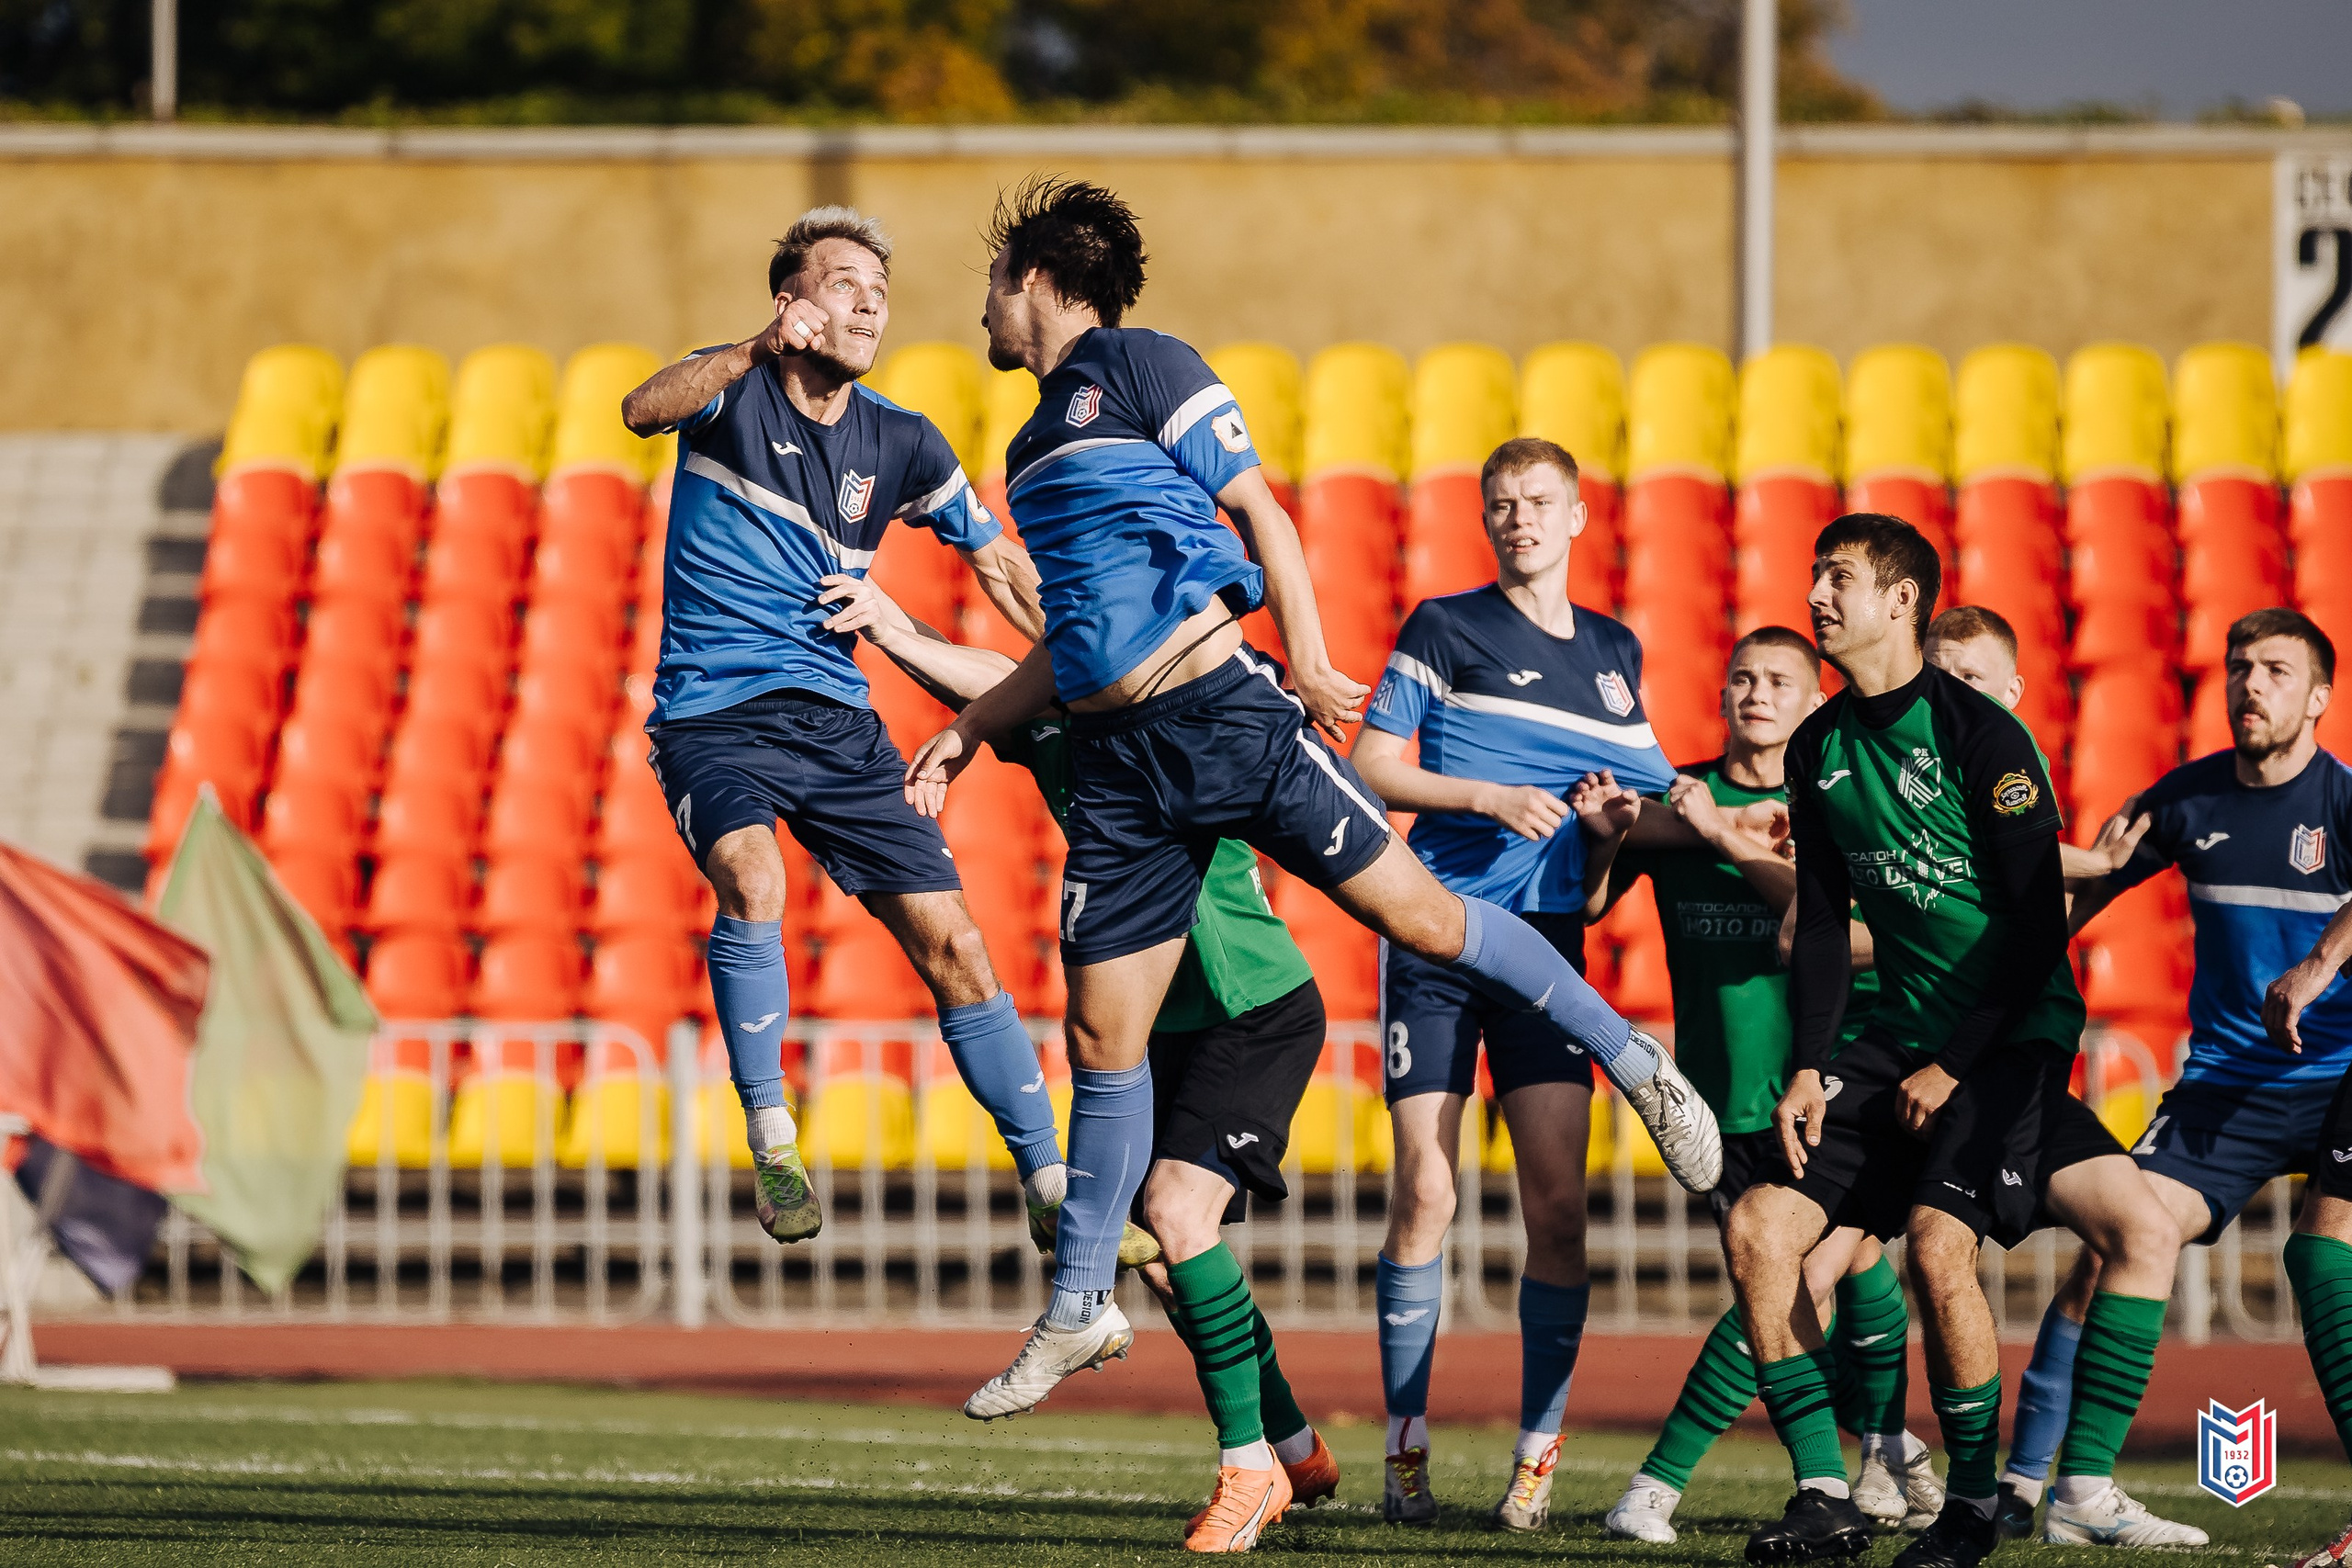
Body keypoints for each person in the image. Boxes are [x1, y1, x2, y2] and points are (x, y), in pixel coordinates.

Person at [901, 177, 1721, 1427]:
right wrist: (967, 728)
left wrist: (1313, 653)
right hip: (1123, 769)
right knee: (1101, 1042)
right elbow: (1072, 645)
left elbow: (1264, 514)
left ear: (1031, 276)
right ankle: (1077, 1302)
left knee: (1429, 922)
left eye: (989, 289)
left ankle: (1634, 1058)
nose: (981, 317)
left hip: (1225, 715)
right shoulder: (1024, 448)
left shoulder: (1140, 361)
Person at [818, 569, 1341, 1552]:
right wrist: (891, 625)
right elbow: (995, 682)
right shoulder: (1059, 709)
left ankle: (1249, 1473)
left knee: (1178, 1218)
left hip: (1251, 1001)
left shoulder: (1176, 686)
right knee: (1148, 1257)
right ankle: (1293, 1439)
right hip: (1155, 1024)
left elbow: (1016, 676)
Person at [1726, 513, 2182, 1568]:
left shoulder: (1983, 737)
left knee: (1937, 1246)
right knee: (1758, 1226)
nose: (1817, 596)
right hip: (1894, 1036)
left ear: (1901, 600)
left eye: (1838, 577)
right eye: (1812, 577)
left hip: (2011, 1033)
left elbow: (2031, 933)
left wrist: (1952, 1062)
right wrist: (1807, 1063)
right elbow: (1829, 933)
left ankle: (1973, 1507)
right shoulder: (1817, 745)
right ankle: (1824, 1496)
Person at [615, 207, 1066, 1249]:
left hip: (838, 723)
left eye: (881, 289)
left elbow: (996, 564)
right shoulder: (729, 390)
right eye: (845, 282)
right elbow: (642, 408)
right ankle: (773, 1139)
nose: (870, 302)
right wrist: (745, 351)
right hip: (715, 718)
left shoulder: (904, 440)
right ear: (794, 302)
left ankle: (1049, 1179)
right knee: (754, 880)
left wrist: (1084, 647)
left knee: (957, 946)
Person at [1342, 435, 1672, 1530]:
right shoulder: (1445, 624)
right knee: (1426, 1193)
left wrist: (1618, 831)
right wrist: (1484, 797)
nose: (1517, 518)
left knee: (1560, 1212)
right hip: (1437, 941)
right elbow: (1371, 768)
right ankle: (1403, 1450)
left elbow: (1656, 802)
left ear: (1579, 517)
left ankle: (1537, 1458)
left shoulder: (1615, 651)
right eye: (1500, 503)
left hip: (1547, 954)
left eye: (1538, 502)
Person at [1994, 608, 2352, 1548]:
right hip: (2225, 1093)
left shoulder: (2343, 802)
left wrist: (2316, 970)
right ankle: (2039, 1487)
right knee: (2116, 1245)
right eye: (2239, 666)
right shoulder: (2185, 802)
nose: (2249, 684)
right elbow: (2080, 896)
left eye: (2276, 670)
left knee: (2328, 1257)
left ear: (2318, 698)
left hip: (2339, 1080)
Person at [1577, 626, 1944, 1543]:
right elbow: (1591, 902)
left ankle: (1662, 1487)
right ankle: (1883, 1456)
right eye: (1742, 675)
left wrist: (1716, 833)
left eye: (1780, 680)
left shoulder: (1832, 797)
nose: (1757, 692)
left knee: (1800, 1275)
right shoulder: (1681, 797)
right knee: (1836, 1274)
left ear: (1812, 699)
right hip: (1716, 1093)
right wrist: (1602, 840)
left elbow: (1827, 922)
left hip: (1825, 1082)